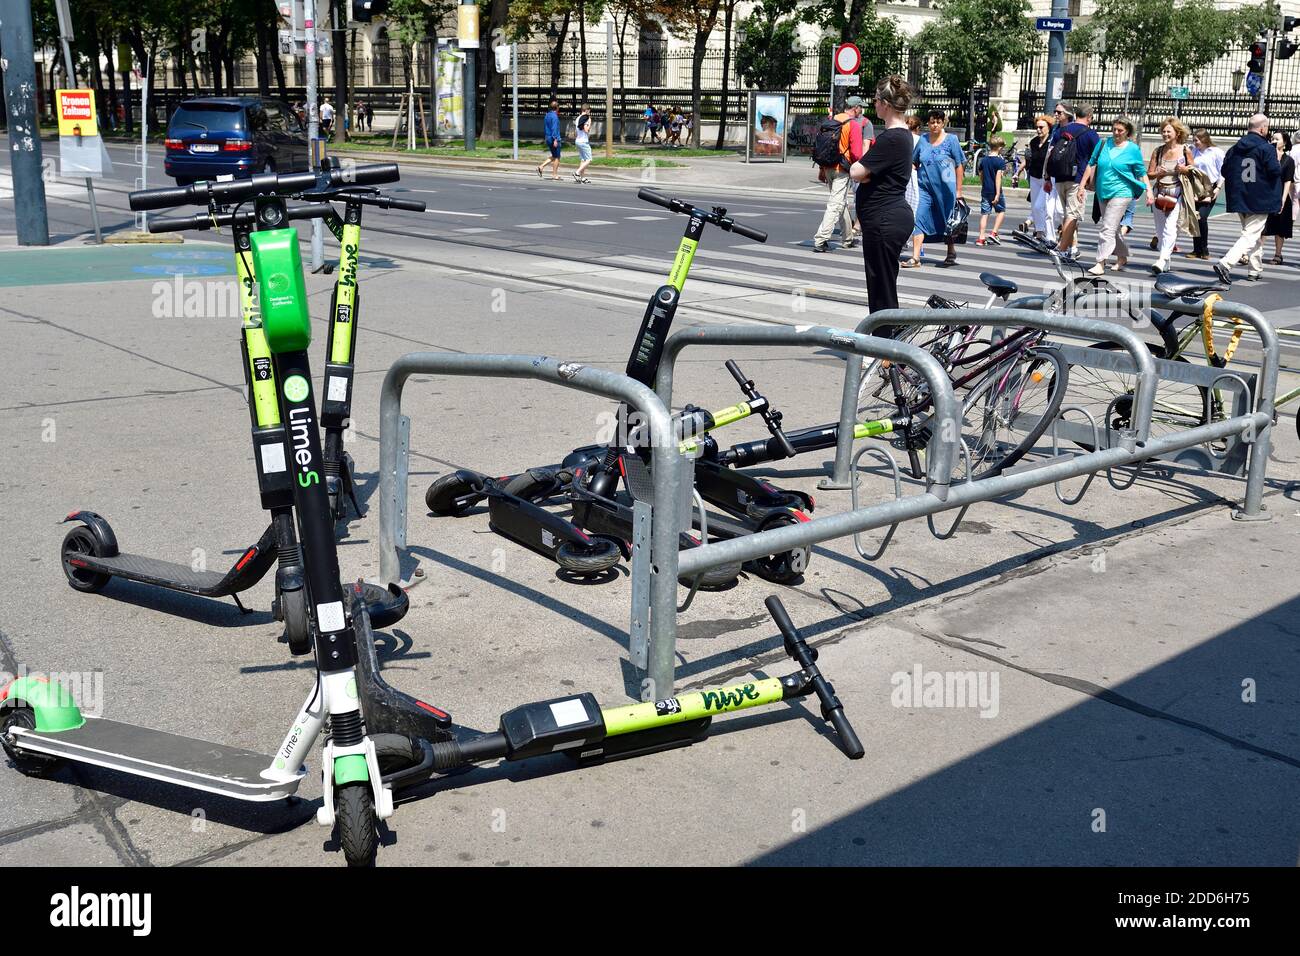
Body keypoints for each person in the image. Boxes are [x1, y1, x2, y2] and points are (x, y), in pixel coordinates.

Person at [849, 76, 918, 314]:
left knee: (881, 288)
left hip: (884, 219)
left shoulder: (892, 137)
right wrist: (869, 174)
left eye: (875, 100)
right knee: (882, 284)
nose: (873, 104)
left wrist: (867, 174)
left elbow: (856, 171)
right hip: (887, 217)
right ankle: (886, 344)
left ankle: (886, 345)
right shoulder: (902, 134)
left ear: (886, 104)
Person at [1078, 116, 1152, 275]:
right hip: (1103, 190)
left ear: (1127, 132)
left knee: (1107, 228)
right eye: (1114, 129)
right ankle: (1123, 255)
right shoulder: (1104, 143)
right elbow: (1091, 164)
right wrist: (1082, 186)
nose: (1116, 133)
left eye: (1120, 131)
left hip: (1122, 192)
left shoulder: (1133, 149)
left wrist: (1149, 191)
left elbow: (1141, 172)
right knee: (1113, 228)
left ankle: (1100, 262)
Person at [1215, 114, 1282, 284]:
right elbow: (1275, 171)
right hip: (1261, 198)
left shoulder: (1234, 148)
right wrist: (1278, 158)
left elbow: (1224, 172)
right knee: (1250, 235)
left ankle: (1255, 269)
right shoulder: (1267, 148)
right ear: (1262, 128)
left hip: (1240, 196)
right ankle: (1226, 263)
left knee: (1253, 234)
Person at [906, 109, 965, 268]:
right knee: (918, 218)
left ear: (943, 123)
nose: (935, 125)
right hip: (924, 189)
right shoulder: (923, 140)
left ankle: (951, 250)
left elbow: (959, 165)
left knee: (948, 221)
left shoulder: (951, 140)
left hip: (946, 190)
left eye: (938, 122)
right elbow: (914, 161)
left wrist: (959, 191)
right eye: (932, 122)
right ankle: (916, 257)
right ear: (928, 123)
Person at [812, 96, 867, 253]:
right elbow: (856, 154)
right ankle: (821, 239)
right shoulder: (853, 125)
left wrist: (821, 169)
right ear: (856, 108)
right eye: (861, 108)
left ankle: (848, 238)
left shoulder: (831, 120)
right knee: (835, 204)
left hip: (827, 166)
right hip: (842, 169)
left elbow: (822, 146)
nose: (861, 111)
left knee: (840, 202)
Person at [1050, 103, 1100, 260]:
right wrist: (1091, 183)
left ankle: (1073, 248)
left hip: (1059, 177)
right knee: (1073, 215)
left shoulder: (1061, 130)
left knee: (1069, 214)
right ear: (1089, 117)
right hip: (1077, 179)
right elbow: (1095, 161)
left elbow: (1050, 153)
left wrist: (1047, 176)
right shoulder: (1091, 135)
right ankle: (1062, 248)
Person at [1145, 117, 1193, 275]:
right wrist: (1156, 173)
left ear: (1177, 133)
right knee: (1160, 232)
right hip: (1160, 193)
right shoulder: (1158, 151)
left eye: (1168, 131)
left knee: (1170, 229)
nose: (1165, 134)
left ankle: (1161, 259)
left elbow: (1194, 170)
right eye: (1163, 131)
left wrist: (1185, 169)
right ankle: (1166, 262)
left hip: (1178, 192)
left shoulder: (1185, 150)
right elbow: (1149, 174)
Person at [1187, 128, 1224, 260]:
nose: (1195, 142)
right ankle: (1196, 249)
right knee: (1194, 217)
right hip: (1195, 187)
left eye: (1197, 140)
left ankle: (1204, 249)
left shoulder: (1216, 152)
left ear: (1204, 139)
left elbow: (1222, 171)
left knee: (1202, 217)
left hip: (1210, 187)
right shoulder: (1193, 151)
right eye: (1194, 140)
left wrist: (1218, 188)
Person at [1263, 130, 1295, 264]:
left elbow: (1288, 180)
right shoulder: (1266, 156)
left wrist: (1283, 199)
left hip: (1280, 196)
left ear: (1285, 142)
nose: (1274, 141)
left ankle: (1278, 254)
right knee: (1261, 227)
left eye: (1277, 139)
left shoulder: (1288, 160)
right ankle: (1255, 253)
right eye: (1272, 139)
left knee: (1279, 228)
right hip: (1265, 197)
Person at [1024, 114, 1055, 242]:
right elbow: (1029, 159)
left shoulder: (1051, 142)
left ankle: (1045, 232)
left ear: (1049, 127)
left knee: (1041, 206)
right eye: (1037, 127)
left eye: (1041, 127)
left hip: (1046, 179)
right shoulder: (1034, 142)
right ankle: (1038, 231)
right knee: (1035, 207)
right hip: (1034, 177)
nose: (1038, 130)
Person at [976, 139, 1007, 245]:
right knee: (1001, 211)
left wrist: (983, 184)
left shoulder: (983, 160)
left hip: (985, 190)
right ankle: (994, 232)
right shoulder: (1000, 161)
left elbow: (980, 174)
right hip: (995, 191)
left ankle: (981, 238)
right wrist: (998, 193)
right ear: (999, 148)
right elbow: (998, 178)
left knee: (984, 214)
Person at [537, 99, 562, 181]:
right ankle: (554, 175)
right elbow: (554, 128)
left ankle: (541, 167)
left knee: (554, 156)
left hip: (548, 137)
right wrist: (555, 139)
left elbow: (545, 127)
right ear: (557, 108)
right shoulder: (554, 116)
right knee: (557, 157)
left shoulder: (547, 115)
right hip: (554, 138)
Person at [573, 103, 594, 184]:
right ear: (587, 110)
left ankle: (582, 178)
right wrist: (590, 124)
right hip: (584, 141)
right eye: (589, 111)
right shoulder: (586, 118)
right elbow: (586, 130)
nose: (590, 112)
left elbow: (576, 132)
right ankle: (577, 173)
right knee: (589, 159)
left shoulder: (578, 118)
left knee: (583, 159)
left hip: (578, 141)